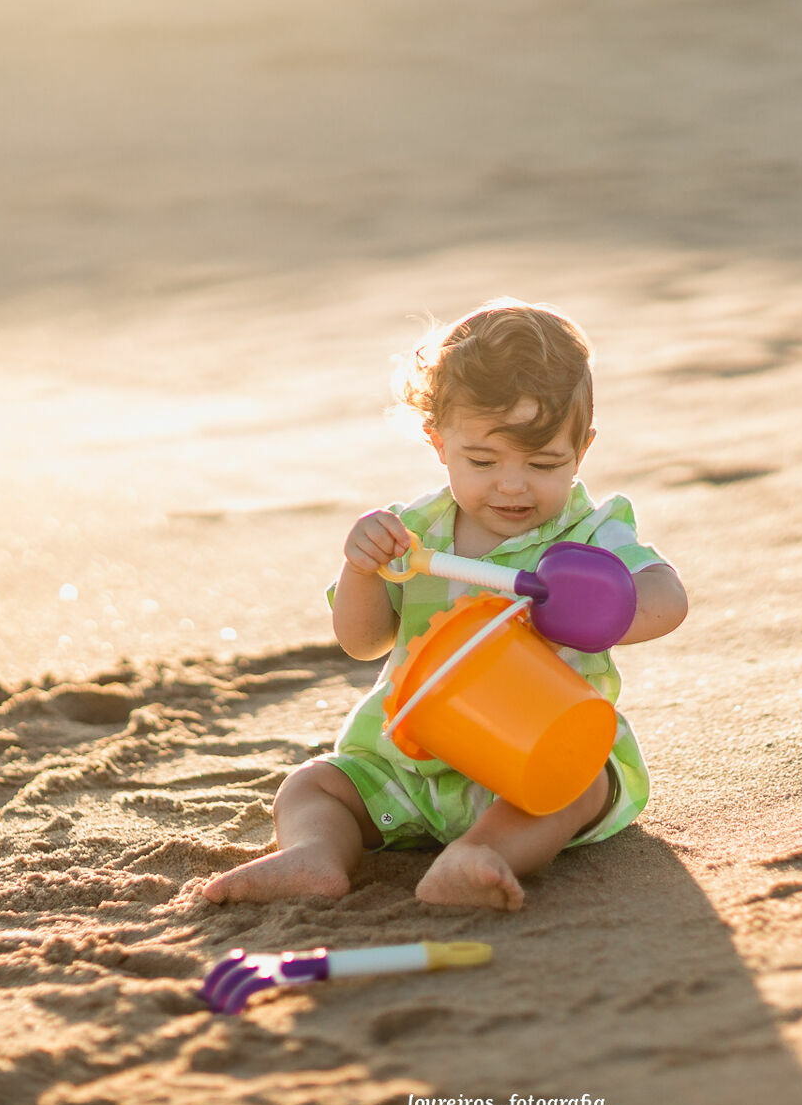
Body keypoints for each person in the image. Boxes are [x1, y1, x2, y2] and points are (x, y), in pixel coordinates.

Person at [202, 299, 688, 910]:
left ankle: (481, 853)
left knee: (583, 784)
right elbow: (362, 641)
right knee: (314, 785)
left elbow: (667, 597)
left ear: (582, 449)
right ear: (438, 442)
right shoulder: (415, 533)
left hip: (537, 755)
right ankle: (315, 855)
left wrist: (608, 607)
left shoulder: (589, 532)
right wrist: (360, 569)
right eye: (483, 461)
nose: (513, 484)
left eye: (544, 464)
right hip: (412, 760)